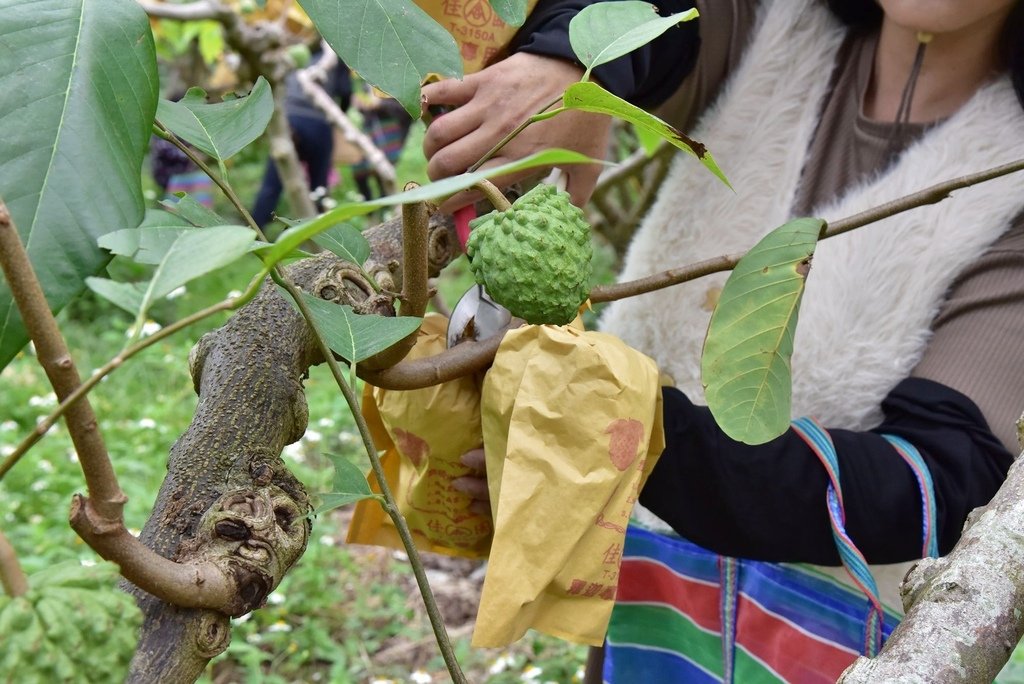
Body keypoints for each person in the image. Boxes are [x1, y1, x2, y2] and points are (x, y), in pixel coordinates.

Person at [424, 0, 1024, 680]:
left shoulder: (1010, 178)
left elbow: (938, 482)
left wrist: (634, 434)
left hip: (847, 650)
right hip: (646, 618)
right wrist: (569, 67)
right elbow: (642, 17)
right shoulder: (770, 24)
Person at [250, 50, 352, 228]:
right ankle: (320, 234)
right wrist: (337, 116)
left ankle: (254, 230)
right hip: (319, 122)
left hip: (290, 121)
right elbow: (345, 91)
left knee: (273, 182)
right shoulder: (337, 56)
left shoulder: (293, 53)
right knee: (318, 186)